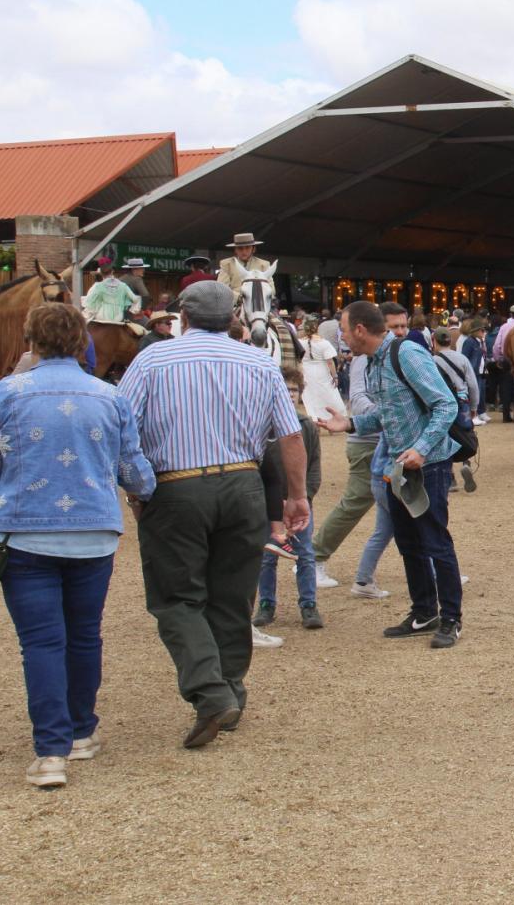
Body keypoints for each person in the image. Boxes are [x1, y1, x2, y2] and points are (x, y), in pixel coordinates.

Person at [0, 302, 155, 789]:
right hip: (93, 533)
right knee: (85, 635)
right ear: (80, 341)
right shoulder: (110, 396)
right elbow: (133, 470)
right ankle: (82, 730)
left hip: (25, 532)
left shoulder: (5, 394)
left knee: (41, 642)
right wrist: (146, 491)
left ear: (32, 341)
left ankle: (51, 751)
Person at [117, 281, 306, 747]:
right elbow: (290, 435)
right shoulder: (259, 362)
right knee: (231, 594)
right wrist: (296, 495)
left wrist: (135, 486)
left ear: (184, 315)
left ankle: (210, 691)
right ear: (232, 317)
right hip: (243, 482)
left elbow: (122, 426)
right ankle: (232, 690)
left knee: (176, 597)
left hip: (177, 486)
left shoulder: (153, 359)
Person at [317, 301, 465, 648]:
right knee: (409, 543)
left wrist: (423, 448)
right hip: (398, 467)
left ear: (359, 330)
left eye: (342, 328)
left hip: (427, 465)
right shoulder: (370, 363)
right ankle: (424, 612)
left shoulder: (407, 353)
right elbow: (388, 415)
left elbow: (446, 404)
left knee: (435, 542)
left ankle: (452, 619)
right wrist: (350, 423)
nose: (339, 335)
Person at [314, 330, 394, 600]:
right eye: (394, 326)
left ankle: (438, 565)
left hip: (386, 440)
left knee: (409, 507)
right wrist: (392, 413)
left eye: (404, 326)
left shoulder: (396, 353)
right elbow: (358, 400)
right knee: (355, 503)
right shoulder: (364, 360)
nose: (400, 332)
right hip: (367, 441)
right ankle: (313, 559)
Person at [255, 366, 325, 632]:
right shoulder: (262, 425)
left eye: (294, 390)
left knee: (305, 553)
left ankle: (309, 604)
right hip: (270, 504)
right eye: (284, 390)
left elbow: (315, 466)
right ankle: (266, 604)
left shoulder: (306, 426)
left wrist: (305, 495)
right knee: (267, 555)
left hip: (300, 503)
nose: (290, 394)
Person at [432, 325, 481, 493]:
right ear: (449, 341)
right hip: (462, 401)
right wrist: (474, 406)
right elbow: (473, 385)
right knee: (465, 432)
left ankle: (451, 478)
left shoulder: (432, 361)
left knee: (445, 435)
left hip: (442, 403)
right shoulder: (462, 359)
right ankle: (466, 462)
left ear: (434, 342)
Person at [298, 316, 345, 423]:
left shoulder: (300, 342)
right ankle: (331, 419)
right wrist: (335, 376)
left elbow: (298, 359)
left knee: (311, 397)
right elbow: (330, 362)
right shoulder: (323, 343)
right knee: (328, 395)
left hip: (306, 372)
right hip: (322, 372)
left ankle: (315, 419)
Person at [82, 257, 142, 328]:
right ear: (112, 271)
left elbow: (89, 304)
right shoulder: (123, 286)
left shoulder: (98, 286)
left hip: (102, 321)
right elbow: (136, 299)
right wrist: (132, 311)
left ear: (100, 273)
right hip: (118, 320)